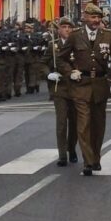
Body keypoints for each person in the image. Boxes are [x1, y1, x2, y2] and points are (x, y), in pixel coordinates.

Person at [64, 4, 111, 176]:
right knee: (83, 124)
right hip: (81, 84)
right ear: (85, 17)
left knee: (98, 125)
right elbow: (62, 58)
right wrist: (70, 72)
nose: (96, 20)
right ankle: (88, 161)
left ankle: (96, 157)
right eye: (93, 17)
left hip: (100, 84)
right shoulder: (75, 35)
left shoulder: (109, 36)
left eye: (98, 17)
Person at [44, 17, 80, 166]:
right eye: (64, 27)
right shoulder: (53, 46)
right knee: (61, 122)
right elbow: (42, 63)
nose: (67, 30)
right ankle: (62, 154)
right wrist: (49, 74)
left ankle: (72, 148)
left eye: (69, 27)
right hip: (59, 87)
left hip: (76, 87)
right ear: (58, 30)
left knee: (75, 122)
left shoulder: (79, 44)